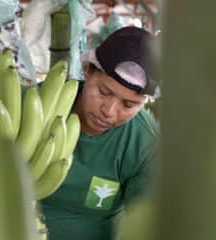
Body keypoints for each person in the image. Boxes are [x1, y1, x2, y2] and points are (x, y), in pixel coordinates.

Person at [40, 26, 161, 240]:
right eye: (103, 92)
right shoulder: (39, 106)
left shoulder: (144, 143)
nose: (109, 111)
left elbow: (148, 224)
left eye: (129, 104)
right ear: (87, 70)